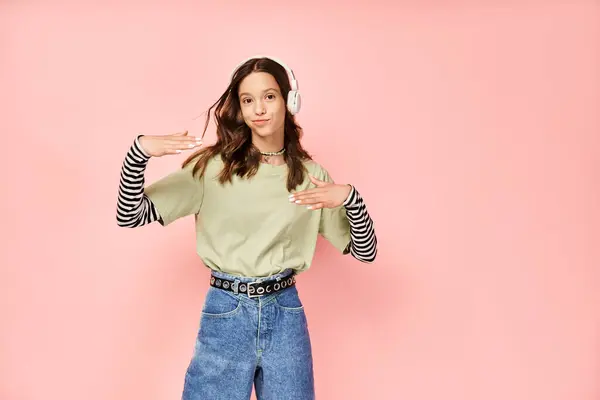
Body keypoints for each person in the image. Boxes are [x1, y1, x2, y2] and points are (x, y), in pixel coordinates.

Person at [115, 55, 378, 400]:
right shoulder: (213, 168)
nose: (259, 109)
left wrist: (350, 199)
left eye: (269, 96)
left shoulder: (310, 176)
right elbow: (129, 214)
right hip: (227, 310)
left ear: (289, 100)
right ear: (239, 109)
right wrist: (138, 153)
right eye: (248, 100)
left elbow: (366, 252)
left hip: (286, 312)